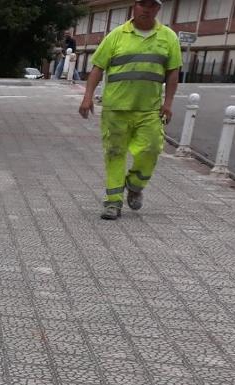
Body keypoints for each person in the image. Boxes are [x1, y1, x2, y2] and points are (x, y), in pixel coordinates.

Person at [78, 0, 181, 220]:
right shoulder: (116, 35)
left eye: (151, 5)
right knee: (115, 154)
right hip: (116, 109)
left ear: (158, 9)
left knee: (151, 149)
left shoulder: (168, 37)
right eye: (142, 4)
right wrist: (87, 97)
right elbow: (97, 68)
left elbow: (173, 73)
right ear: (135, 7)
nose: (146, 9)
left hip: (149, 110)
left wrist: (168, 103)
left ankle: (135, 184)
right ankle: (113, 202)